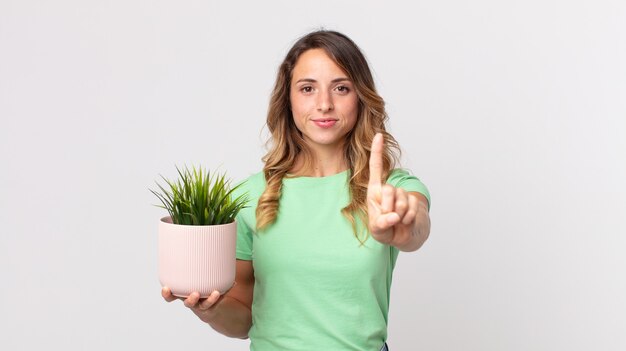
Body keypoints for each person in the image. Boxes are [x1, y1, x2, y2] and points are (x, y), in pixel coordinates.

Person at [162, 29, 431, 351]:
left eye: (341, 88)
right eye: (307, 88)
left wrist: (400, 229)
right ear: (287, 99)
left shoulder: (392, 189)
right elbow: (244, 322)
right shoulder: (248, 197)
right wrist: (209, 309)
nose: (324, 104)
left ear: (360, 97)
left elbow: (416, 228)